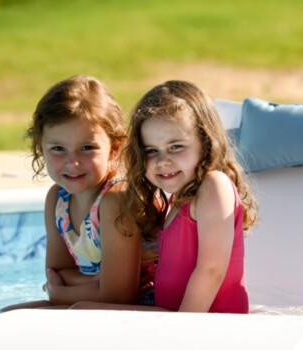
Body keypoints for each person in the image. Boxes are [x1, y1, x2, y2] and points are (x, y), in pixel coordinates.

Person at [73, 80, 258, 313]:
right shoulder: (175, 202)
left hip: (207, 324)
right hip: (174, 318)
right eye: (152, 151)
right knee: (71, 310)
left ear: (206, 141)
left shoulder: (214, 185)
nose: (163, 161)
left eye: (176, 146)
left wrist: (179, 327)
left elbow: (211, 270)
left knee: (81, 312)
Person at [1, 75, 156, 311]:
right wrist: (95, 282)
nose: (72, 162)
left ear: (114, 148)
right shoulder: (57, 199)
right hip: (97, 302)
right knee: (8, 315)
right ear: (40, 148)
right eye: (58, 149)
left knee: (74, 310)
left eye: (87, 148)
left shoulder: (115, 199)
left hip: (151, 305)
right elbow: (57, 273)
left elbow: (117, 295)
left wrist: (62, 292)